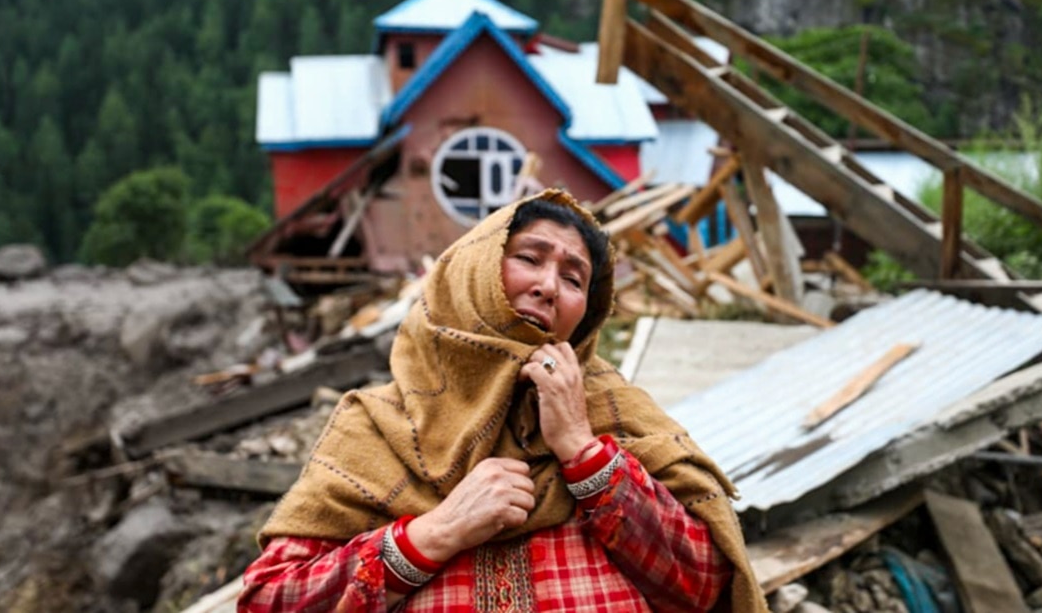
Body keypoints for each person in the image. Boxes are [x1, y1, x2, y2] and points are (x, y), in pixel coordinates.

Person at [239, 189, 767, 612]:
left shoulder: (616, 414)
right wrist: (435, 533)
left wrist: (585, 454)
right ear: (475, 272)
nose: (548, 286)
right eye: (530, 258)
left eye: (573, 278)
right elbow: (269, 601)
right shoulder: (377, 427)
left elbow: (704, 588)